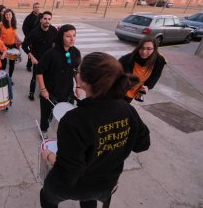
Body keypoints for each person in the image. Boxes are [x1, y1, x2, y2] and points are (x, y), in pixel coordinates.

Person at [40, 52, 150, 208]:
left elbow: (68, 174)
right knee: (89, 199)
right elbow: (142, 144)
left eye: (77, 72)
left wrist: (49, 156)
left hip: (75, 186)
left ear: (84, 82)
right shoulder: (127, 110)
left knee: (46, 196)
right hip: (105, 184)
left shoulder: (73, 120)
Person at [37, 24, 82, 139]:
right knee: (45, 114)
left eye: (74, 36)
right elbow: (39, 71)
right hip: (50, 91)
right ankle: (43, 129)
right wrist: (43, 90)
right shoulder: (50, 53)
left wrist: (78, 86)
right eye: (68, 36)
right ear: (61, 37)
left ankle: (62, 130)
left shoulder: (75, 52)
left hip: (67, 91)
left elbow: (76, 70)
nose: (72, 39)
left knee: (66, 114)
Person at [22, 11, 57, 101]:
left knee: (47, 77)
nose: (47, 21)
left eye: (49, 19)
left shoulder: (53, 30)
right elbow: (24, 45)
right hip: (37, 59)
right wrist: (31, 57)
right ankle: (31, 92)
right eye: (45, 19)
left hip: (49, 59)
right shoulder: (34, 32)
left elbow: (56, 42)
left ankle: (44, 92)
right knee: (35, 76)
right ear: (41, 20)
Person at [119, 37, 166, 103]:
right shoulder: (126, 59)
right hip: (120, 90)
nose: (144, 52)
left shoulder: (159, 60)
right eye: (142, 48)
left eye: (149, 49)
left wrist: (148, 86)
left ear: (155, 49)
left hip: (133, 92)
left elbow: (156, 75)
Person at [0, 9, 21, 78]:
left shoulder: (14, 23)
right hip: (3, 46)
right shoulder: (1, 23)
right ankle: (3, 77)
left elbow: (15, 34)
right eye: (6, 14)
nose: (8, 16)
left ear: (12, 15)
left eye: (9, 14)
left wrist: (20, 40)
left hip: (12, 46)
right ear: (4, 15)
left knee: (12, 64)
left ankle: (10, 78)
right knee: (4, 63)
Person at [22, 2, 41, 71]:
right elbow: (24, 28)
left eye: (38, 7)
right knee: (31, 52)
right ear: (33, 8)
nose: (37, 8)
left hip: (40, 38)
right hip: (31, 38)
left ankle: (39, 64)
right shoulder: (29, 17)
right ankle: (29, 65)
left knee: (39, 52)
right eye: (35, 7)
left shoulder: (42, 16)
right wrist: (28, 38)